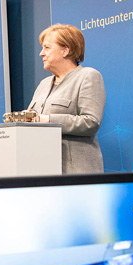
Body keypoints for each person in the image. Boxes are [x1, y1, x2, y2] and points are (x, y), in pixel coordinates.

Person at [24, 24, 105, 174]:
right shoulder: (43, 84)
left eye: (47, 47)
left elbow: (91, 122)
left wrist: (47, 120)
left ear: (66, 50)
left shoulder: (88, 76)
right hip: (42, 171)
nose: (41, 53)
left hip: (76, 174)